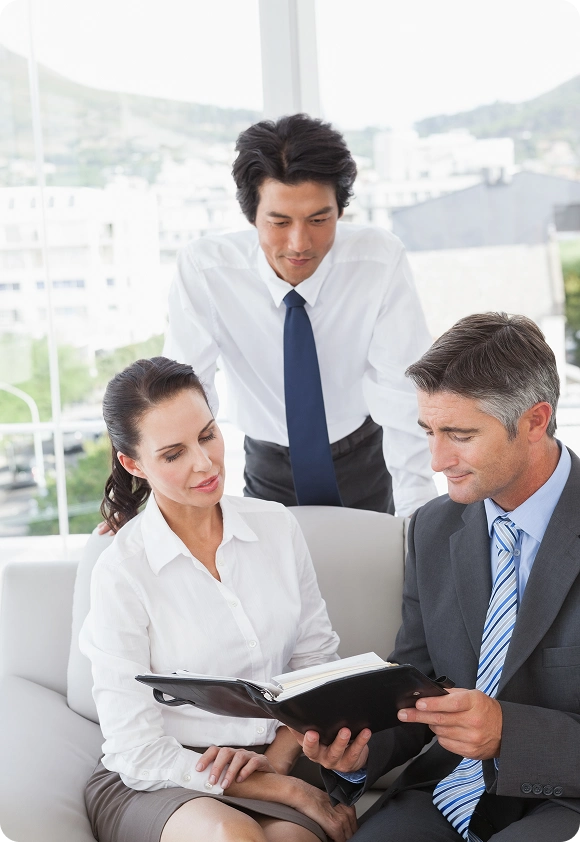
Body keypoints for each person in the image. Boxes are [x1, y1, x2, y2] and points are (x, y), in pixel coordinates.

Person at [294, 313, 580, 841]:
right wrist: (355, 750)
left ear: (536, 421)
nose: (436, 460)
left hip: (568, 802)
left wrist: (508, 735)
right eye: (429, 431)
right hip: (445, 794)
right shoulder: (432, 528)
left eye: (460, 434)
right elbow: (415, 685)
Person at [79, 357, 357, 842]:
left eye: (207, 435)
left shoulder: (275, 527)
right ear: (133, 464)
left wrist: (274, 766)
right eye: (173, 454)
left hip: (272, 756)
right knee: (231, 838)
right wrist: (290, 791)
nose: (204, 463)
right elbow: (136, 748)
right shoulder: (123, 572)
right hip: (164, 776)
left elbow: (316, 671)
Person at [164, 113, 436, 516]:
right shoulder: (207, 271)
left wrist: (419, 515)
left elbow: (401, 392)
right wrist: (162, 510)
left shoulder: (378, 260)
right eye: (279, 222)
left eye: (319, 220)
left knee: (376, 574)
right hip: (268, 467)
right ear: (251, 215)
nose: (299, 243)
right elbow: (182, 397)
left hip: (366, 460)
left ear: (340, 212)